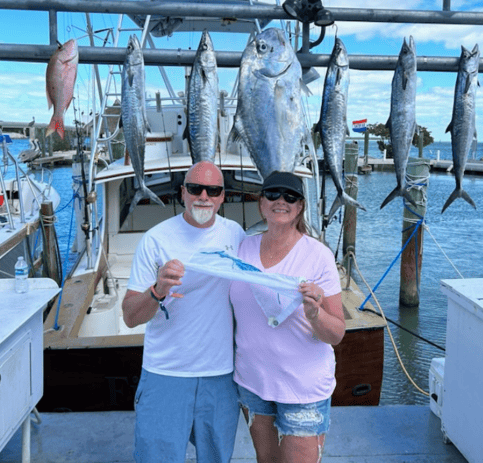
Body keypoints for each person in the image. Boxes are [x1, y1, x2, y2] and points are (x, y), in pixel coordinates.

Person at [123, 161, 246, 463]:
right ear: (183, 193)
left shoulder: (236, 235)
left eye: (212, 190)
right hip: (166, 373)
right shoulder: (155, 239)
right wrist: (157, 289)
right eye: (195, 188)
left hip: (220, 376)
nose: (203, 196)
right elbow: (129, 316)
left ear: (221, 197)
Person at [229, 171, 346, 463]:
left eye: (290, 196)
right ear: (261, 203)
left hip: (303, 388)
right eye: (272, 194)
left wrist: (315, 314)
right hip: (253, 382)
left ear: (300, 207)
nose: (281, 201)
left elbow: (336, 333)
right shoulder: (243, 249)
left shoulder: (319, 256)